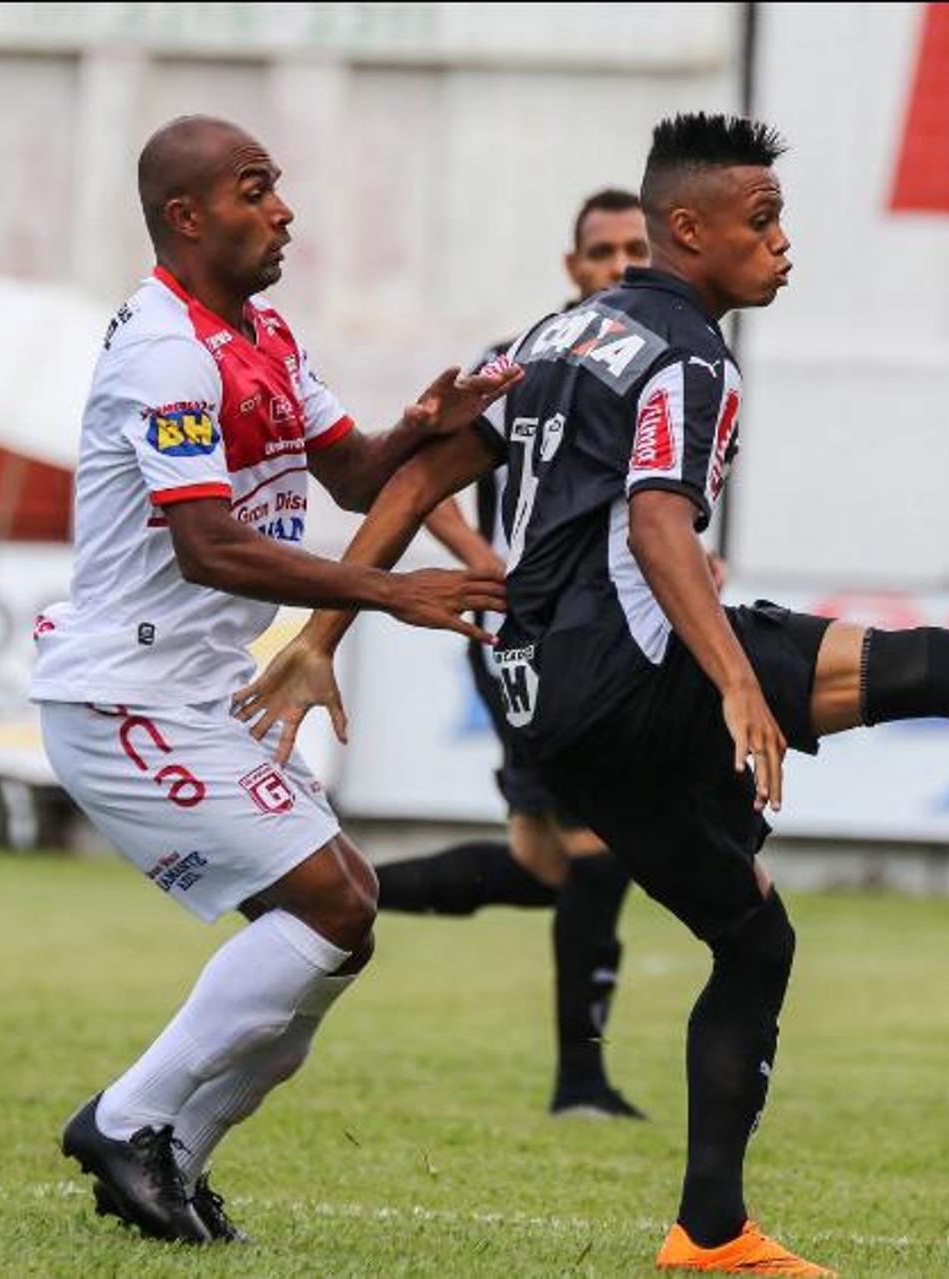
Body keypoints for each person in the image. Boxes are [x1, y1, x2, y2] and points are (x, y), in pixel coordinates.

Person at [231, 112, 949, 1276]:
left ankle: (710, 1232)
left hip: (559, 708)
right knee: (941, 666)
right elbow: (658, 521)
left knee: (751, 936)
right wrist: (740, 686)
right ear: (688, 230)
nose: (784, 243)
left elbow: (420, 470)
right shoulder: (690, 357)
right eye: (763, 222)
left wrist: (321, 631)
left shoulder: (549, 336)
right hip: (641, 676)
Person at [29, 115, 519, 1246]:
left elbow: (347, 474)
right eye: (258, 191)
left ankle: (171, 1162)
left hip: (202, 691)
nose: (285, 210)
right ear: (188, 216)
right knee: (335, 906)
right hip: (126, 696)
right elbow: (207, 544)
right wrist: (393, 597)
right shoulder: (165, 350)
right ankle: (127, 1117)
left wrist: (420, 427)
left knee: (340, 930)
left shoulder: (263, 332)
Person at [374, 187, 653, 1119]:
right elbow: (426, 474)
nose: (622, 266)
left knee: (544, 866)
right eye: (604, 251)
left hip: (611, 631)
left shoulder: (668, 359)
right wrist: (479, 556)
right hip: (533, 637)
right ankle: (583, 1083)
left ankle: (327, 892)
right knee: (599, 845)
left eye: (636, 250)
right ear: (574, 269)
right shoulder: (525, 359)